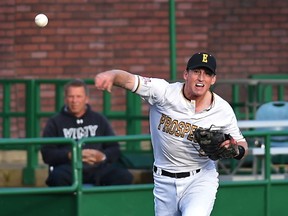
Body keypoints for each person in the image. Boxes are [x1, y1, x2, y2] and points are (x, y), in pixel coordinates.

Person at [94, 52, 248, 216]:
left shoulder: (222, 110)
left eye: (207, 74)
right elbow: (130, 80)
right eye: (196, 72)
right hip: (163, 180)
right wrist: (112, 75)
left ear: (213, 79)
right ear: (186, 74)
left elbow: (241, 143)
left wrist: (236, 150)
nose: (201, 78)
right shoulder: (163, 92)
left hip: (200, 179)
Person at [41, 79, 133, 186]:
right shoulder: (54, 122)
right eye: (71, 96)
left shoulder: (99, 119)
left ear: (86, 99)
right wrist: (70, 155)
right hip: (68, 168)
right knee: (57, 178)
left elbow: (114, 148)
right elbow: (47, 153)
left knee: (124, 176)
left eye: (79, 96)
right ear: (65, 99)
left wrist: (102, 156)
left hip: (98, 167)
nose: (74, 101)